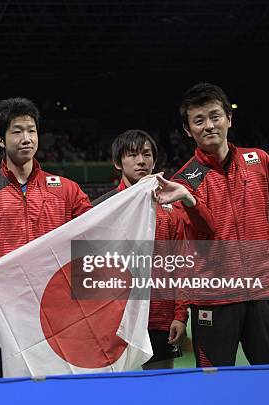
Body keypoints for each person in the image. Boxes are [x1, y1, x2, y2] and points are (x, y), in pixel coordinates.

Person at [156, 83, 269, 367]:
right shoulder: (183, 181)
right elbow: (196, 242)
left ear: (229, 119)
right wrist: (190, 202)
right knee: (214, 386)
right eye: (199, 120)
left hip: (262, 291)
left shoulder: (260, 161)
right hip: (212, 298)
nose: (209, 125)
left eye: (215, 116)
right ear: (187, 130)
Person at [0, 97, 92, 287]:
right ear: (1, 140)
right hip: (4, 297)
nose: (27, 139)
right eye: (17, 132)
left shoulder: (67, 189)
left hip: (53, 295)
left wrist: (135, 192)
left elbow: (98, 225)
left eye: (32, 131)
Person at [93, 130, 190, 369]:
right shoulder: (101, 209)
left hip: (159, 319)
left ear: (154, 161)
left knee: (160, 390)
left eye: (147, 154)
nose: (141, 161)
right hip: (115, 321)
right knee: (117, 391)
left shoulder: (171, 209)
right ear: (118, 162)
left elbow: (181, 265)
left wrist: (180, 315)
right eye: (133, 155)